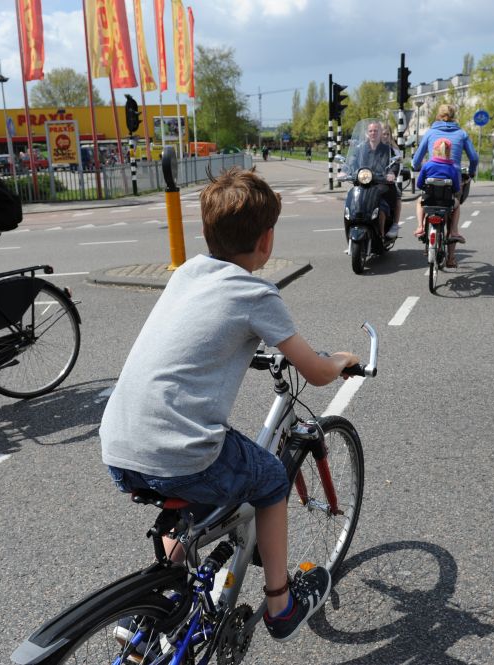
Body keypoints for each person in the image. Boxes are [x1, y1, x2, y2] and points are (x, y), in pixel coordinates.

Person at [99, 167, 360, 642]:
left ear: (205, 232)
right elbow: (317, 373)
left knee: (193, 498)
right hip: (179, 453)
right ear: (267, 240)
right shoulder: (257, 292)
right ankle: (281, 603)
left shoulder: (186, 273)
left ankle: (153, 607)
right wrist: (341, 358)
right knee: (270, 478)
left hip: (117, 444)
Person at [411, 104, 478, 240]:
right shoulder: (461, 133)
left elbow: (417, 158)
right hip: (453, 177)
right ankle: (452, 256)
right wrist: (471, 173)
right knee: (453, 208)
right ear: (454, 117)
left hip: (431, 176)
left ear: (438, 116)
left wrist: (416, 166)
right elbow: (474, 158)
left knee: (425, 201)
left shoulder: (430, 132)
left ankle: (423, 229)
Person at [342, 119, 401, 239]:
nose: (373, 133)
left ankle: (381, 235)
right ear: (367, 133)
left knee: (382, 206)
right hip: (363, 184)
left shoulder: (387, 149)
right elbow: (352, 161)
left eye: (376, 130)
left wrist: (391, 173)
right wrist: (344, 170)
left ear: (380, 133)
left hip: (380, 184)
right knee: (352, 203)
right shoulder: (361, 149)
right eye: (370, 131)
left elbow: (395, 163)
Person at [414, 138, 465, 268]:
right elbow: (456, 189)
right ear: (449, 152)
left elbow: (419, 184)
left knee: (420, 201)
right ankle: (453, 231)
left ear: (434, 150)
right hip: (446, 204)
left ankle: (420, 226)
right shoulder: (452, 168)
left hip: (429, 201)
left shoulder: (427, 165)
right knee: (457, 205)